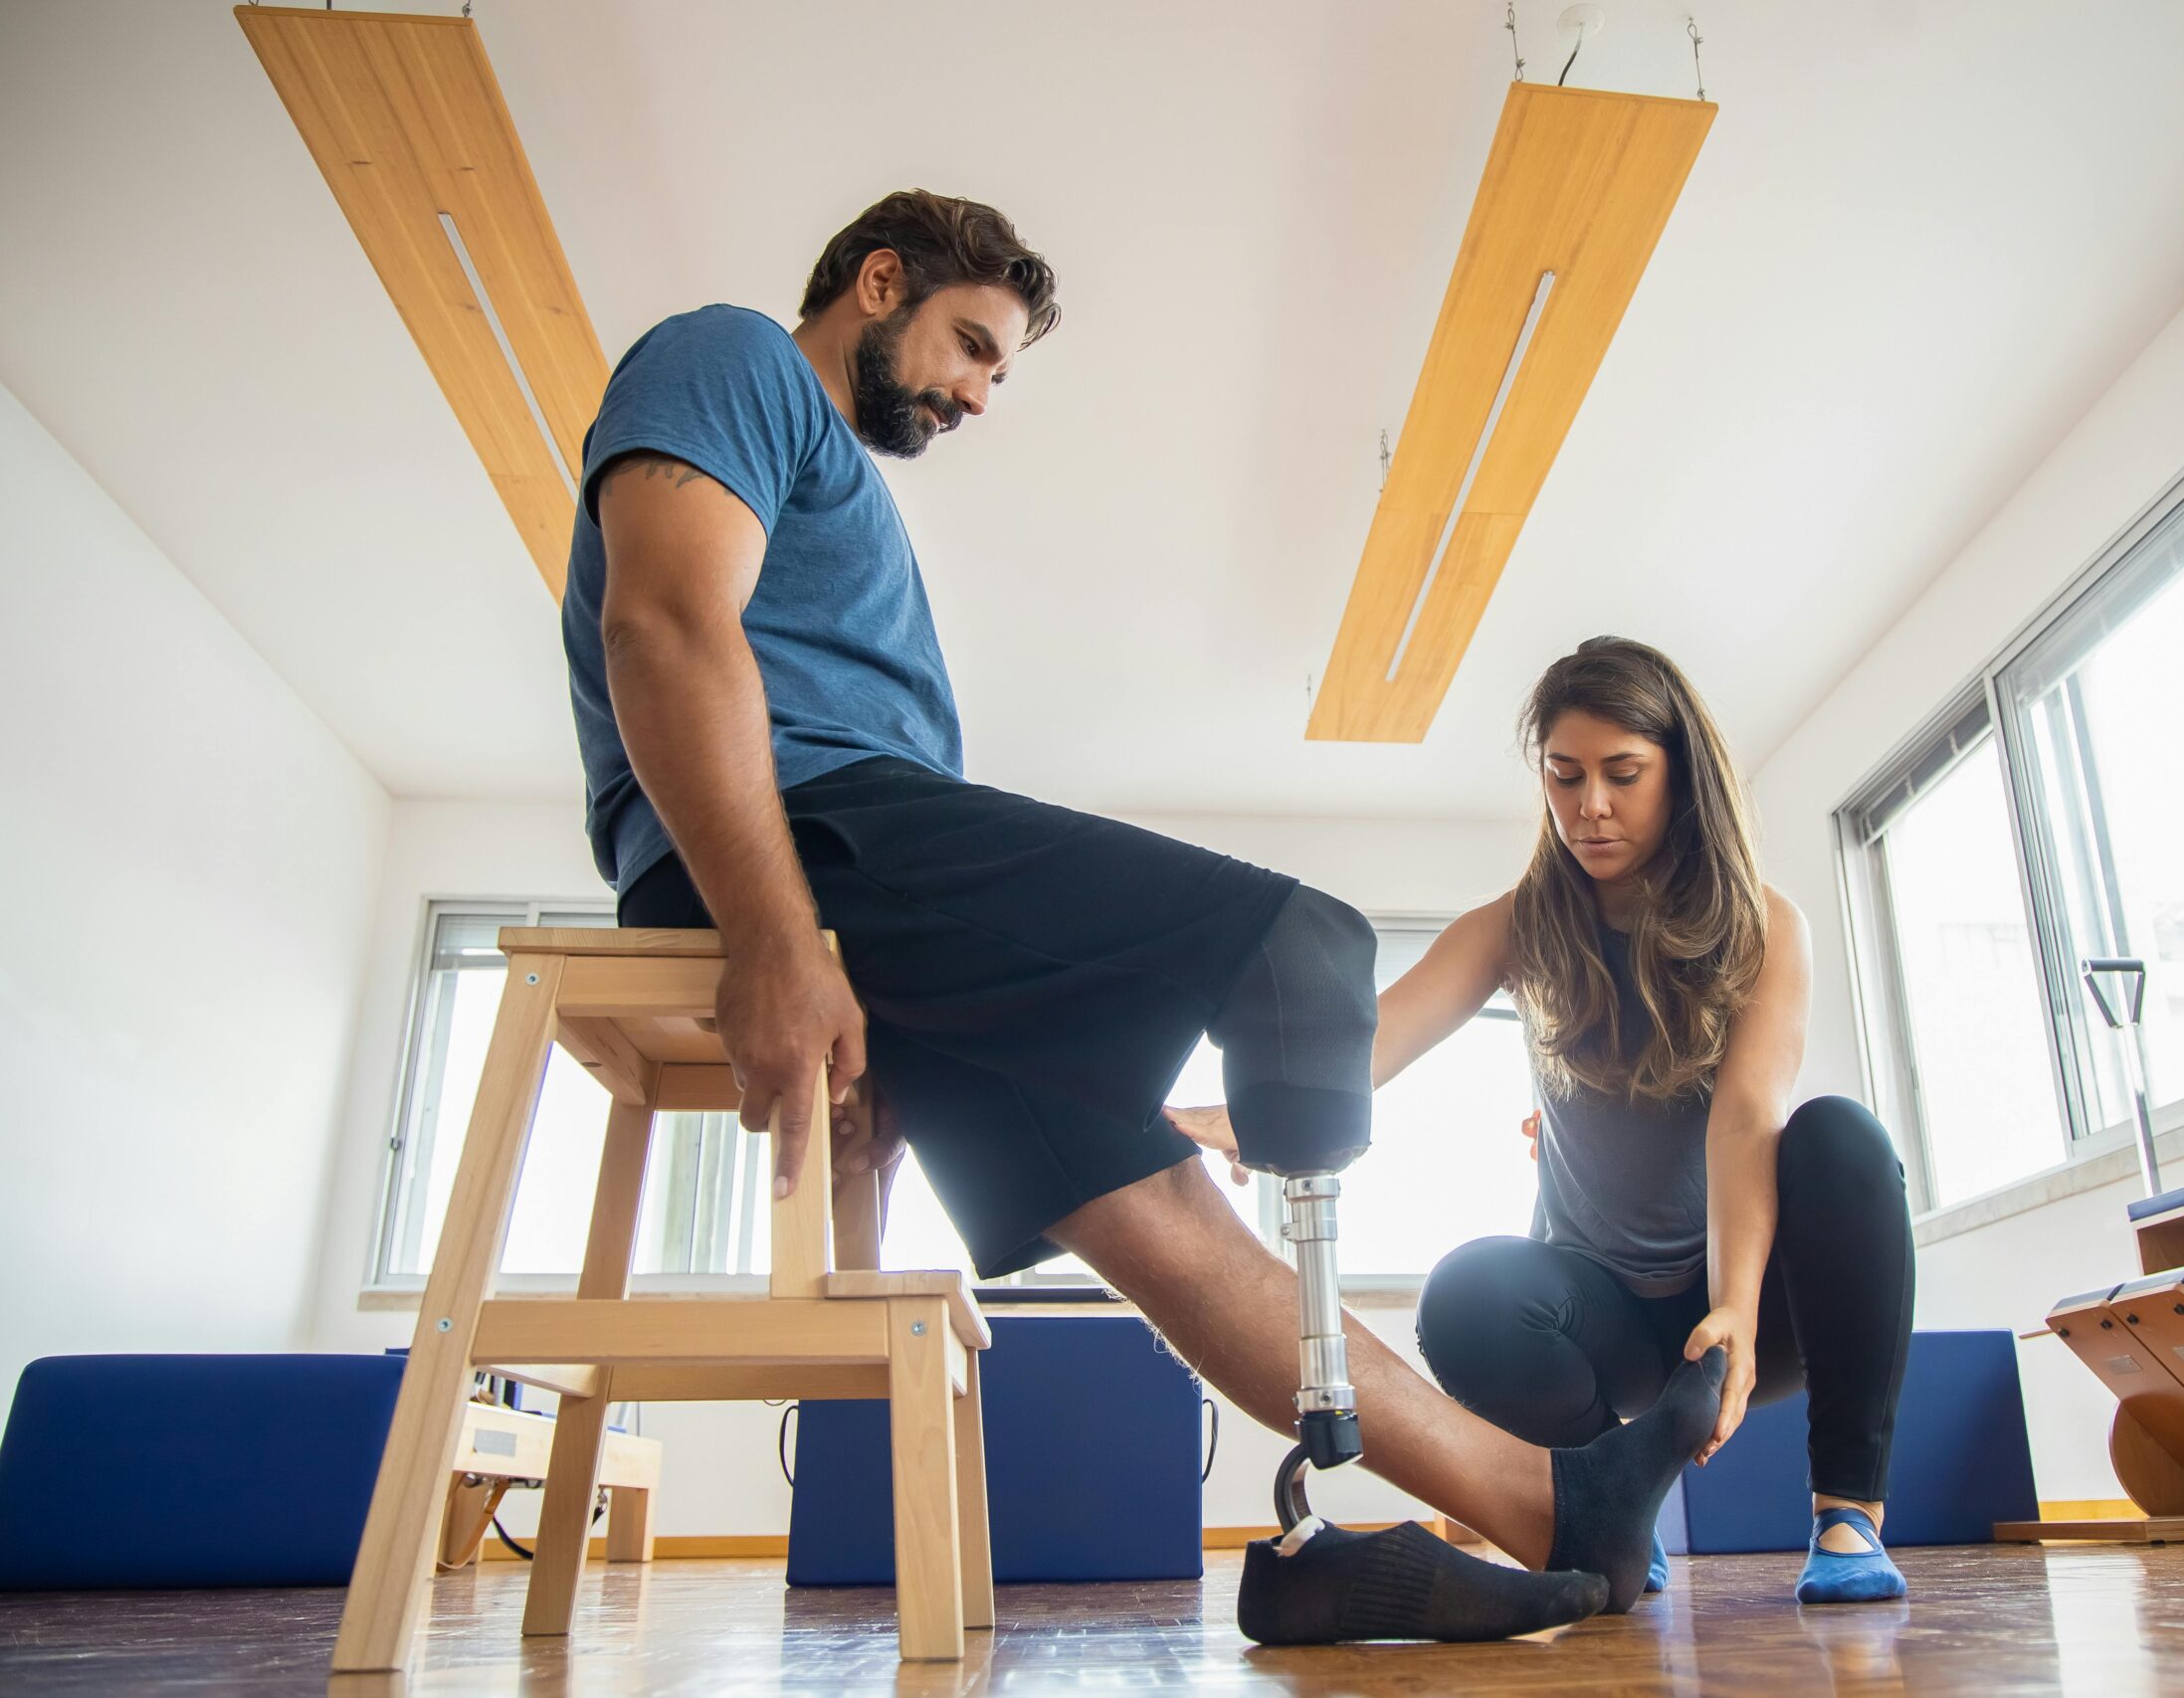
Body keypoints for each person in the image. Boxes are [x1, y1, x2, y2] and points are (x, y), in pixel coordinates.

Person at [560, 189, 1718, 1640]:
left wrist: (916, 998)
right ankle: (1450, 1466)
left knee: (1160, 1196)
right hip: (800, 839)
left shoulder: (842, 503)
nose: (981, 391)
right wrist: (782, 939)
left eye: (997, 368)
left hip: (865, 885)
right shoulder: (728, 356)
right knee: (1309, 946)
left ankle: (1553, 1501)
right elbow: (660, 625)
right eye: (972, 345)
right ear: (877, 281)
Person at [1173, 637, 1917, 1604]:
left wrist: (1733, 1305)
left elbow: (1744, 1120)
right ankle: (1602, 1508)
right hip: (1597, 1317)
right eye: (1563, 777)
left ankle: (1848, 1518)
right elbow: (1372, 1043)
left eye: (1622, 775)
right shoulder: (1517, 924)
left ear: (1679, 776)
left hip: (1741, 1304)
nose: (1589, 806)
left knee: (1841, 1139)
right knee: (1464, 1293)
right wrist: (1244, 1114)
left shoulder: (1765, 927)